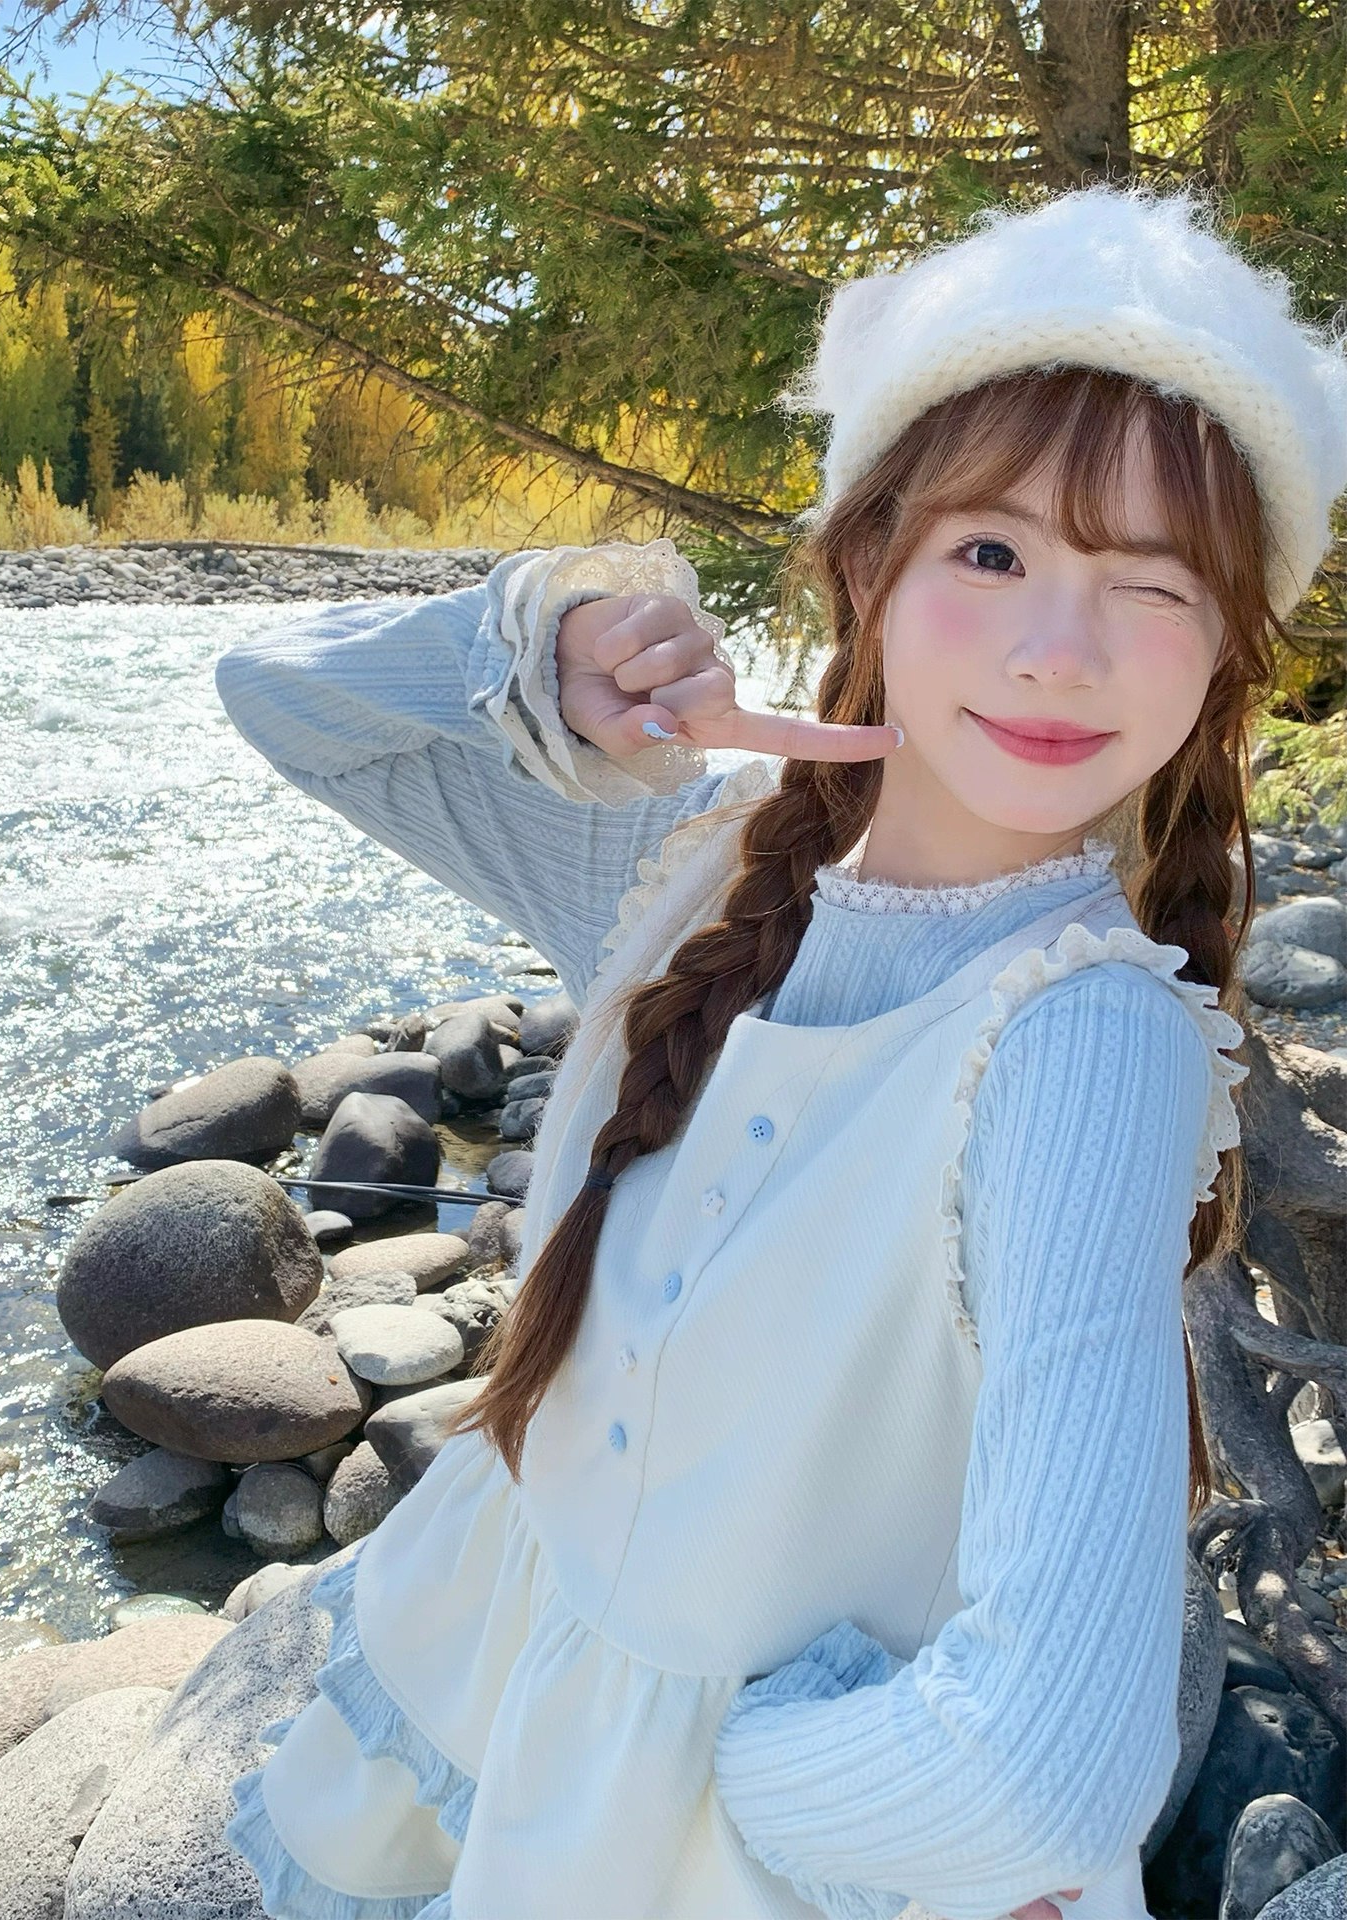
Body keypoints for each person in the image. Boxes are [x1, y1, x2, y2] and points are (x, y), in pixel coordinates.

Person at [212, 182, 1347, 1920]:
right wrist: (554, 641)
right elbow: (278, 690)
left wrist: (707, 1799)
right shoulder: (697, 859)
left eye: (1155, 585)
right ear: (863, 563)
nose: (1062, 647)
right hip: (514, 1732)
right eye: (992, 553)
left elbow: (1049, 1767)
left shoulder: (1080, 1038)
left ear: (1226, 656)